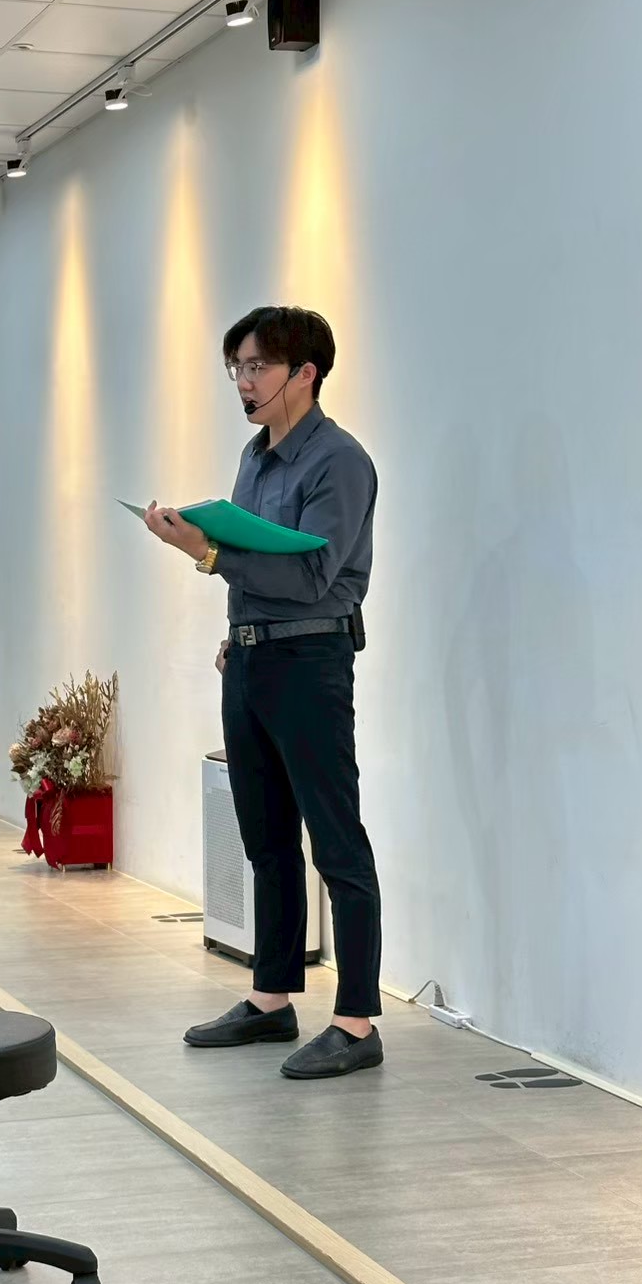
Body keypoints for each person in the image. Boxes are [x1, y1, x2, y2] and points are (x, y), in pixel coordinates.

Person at [142, 306, 383, 1080]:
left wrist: (207, 552)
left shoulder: (339, 461)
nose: (244, 383)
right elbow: (254, 559)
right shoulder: (254, 457)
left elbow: (312, 576)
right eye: (237, 368)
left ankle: (357, 1020)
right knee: (266, 838)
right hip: (249, 659)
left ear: (305, 372)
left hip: (311, 661)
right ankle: (272, 998)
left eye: (257, 368)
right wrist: (236, 625)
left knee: (336, 841)